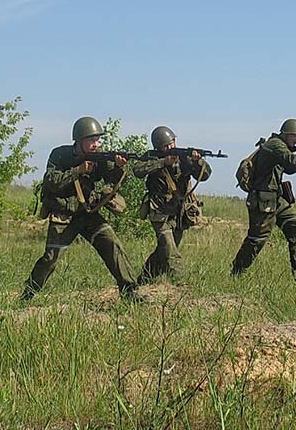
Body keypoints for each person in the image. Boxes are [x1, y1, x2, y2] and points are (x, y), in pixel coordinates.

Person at [21, 117, 143, 301]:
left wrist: (119, 167)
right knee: (51, 258)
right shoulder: (60, 155)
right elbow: (52, 182)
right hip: (64, 215)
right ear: (79, 140)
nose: (96, 144)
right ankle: (28, 294)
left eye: (98, 140)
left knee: (112, 245)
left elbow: (112, 180)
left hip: (87, 214)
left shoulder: (100, 157)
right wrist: (77, 170)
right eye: (92, 140)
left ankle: (130, 292)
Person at [231, 119, 296, 277]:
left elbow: (289, 168)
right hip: (263, 199)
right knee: (257, 239)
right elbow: (292, 164)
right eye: (295, 137)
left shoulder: (281, 147)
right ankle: (237, 272)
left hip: (276, 198)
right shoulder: (275, 144)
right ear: (286, 134)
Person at [132, 126, 212, 284]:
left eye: (172, 143)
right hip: (159, 212)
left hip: (179, 213)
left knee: (164, 251)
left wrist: (198, 161)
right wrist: (163, 162)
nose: (171, 147)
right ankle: (181, 284)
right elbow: (137, 170)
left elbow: (205, 175)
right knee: (171, 252)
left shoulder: (184, 158)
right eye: (166, 145)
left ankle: (142, 281)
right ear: (158, 147)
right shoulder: (152, 157)